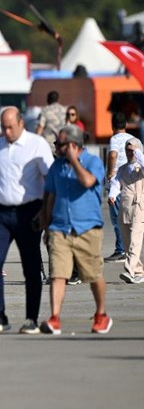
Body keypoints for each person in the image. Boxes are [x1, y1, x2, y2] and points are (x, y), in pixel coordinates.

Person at [0, 107, 53, 334]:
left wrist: (46, 213)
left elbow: (50, 179)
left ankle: (31, 318)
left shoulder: (37, 144)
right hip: (0, 213)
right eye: (3, 127)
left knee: (31, 267)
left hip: (28, 212)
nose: (7, 131)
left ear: (21, 123)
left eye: (10, 126)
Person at [39, 125, 112, 334]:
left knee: (93, 274)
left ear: (72, 145)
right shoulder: (56, 167)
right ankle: (54, 318)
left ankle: (101, 314)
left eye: (60, 144)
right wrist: (46, 225)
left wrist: (74, 161)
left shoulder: (93, 162)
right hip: (60, 228)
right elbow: (50, 196)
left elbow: (88, 181)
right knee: (58, 274)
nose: (56, 147)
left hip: (87, 228)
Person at [110, 138, 144, 284]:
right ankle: (139, 271)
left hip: (139, 207)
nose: (129, 153)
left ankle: (129, 269)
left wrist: (138, 152)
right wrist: (112, 195)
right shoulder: (123, 169)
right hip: (125, 207)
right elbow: (116, 183)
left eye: (132, 151)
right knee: (127, 240)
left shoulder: (140, 166)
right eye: (127, 150)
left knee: (135, 242)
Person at [104, 112, 132, 264]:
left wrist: (109, 173)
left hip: (116, 183)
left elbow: (113, 155)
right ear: (126, 125)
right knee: (128, 217)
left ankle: (120, 250)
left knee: (117, 219)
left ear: (112, 126)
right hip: (130, 183)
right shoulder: (133, 139)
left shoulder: (114, 139)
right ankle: (129, 249)